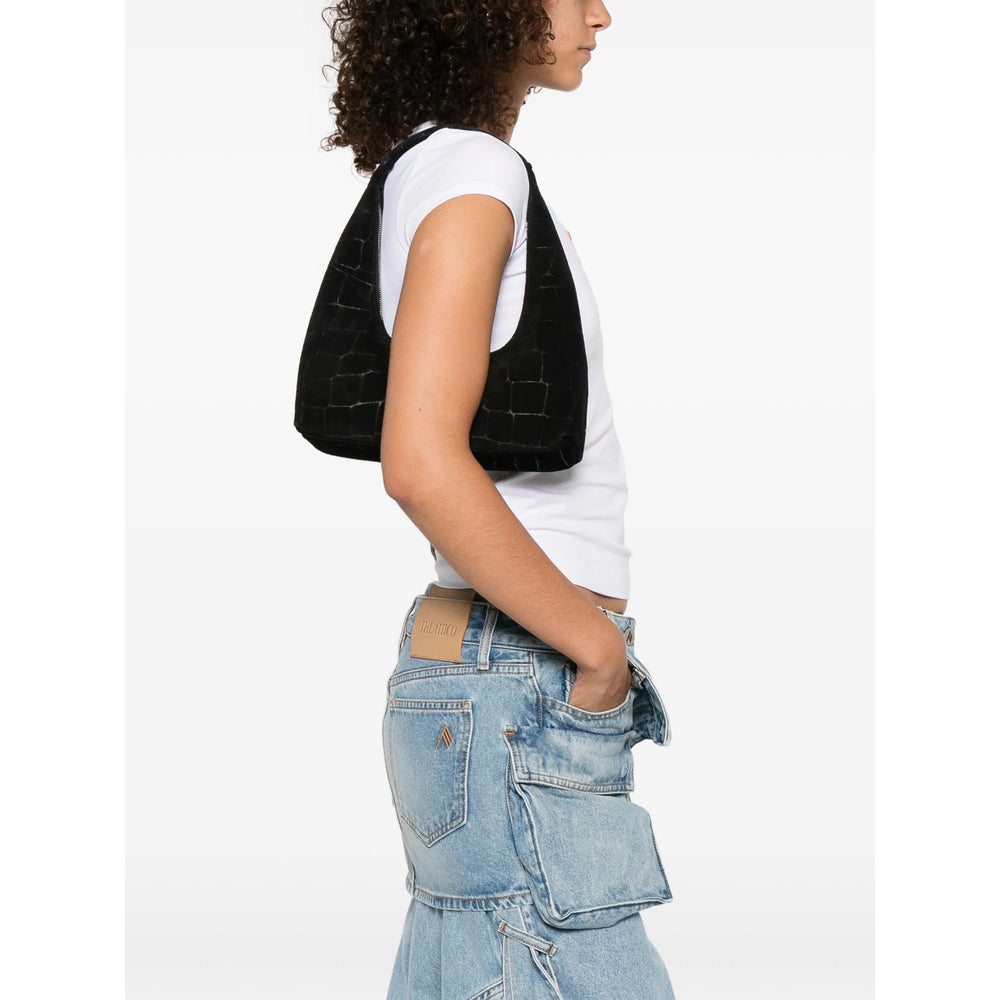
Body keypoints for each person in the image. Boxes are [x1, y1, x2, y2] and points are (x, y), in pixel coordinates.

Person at [316, 1, 677, 996]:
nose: (601, 13)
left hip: (485, 676)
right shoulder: (475, 171)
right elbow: (420, 461)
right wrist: (595, 650)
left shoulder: (436, 165)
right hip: (522, 681)